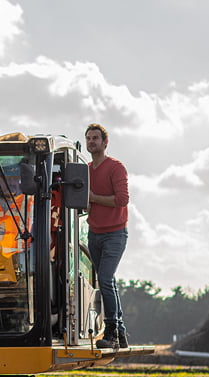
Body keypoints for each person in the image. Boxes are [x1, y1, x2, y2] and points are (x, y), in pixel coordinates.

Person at [85, 123, 129, 349]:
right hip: (94, 234)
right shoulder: (86, 169)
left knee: (105, 279)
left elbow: (122, 200)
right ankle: (120, 334)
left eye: (95, 138)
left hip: (114, 233)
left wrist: (93, 197)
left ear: (105, 142)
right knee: (107, 281)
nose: (91, 142)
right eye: (89, 138)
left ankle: (110, 332)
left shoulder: (116, 167)